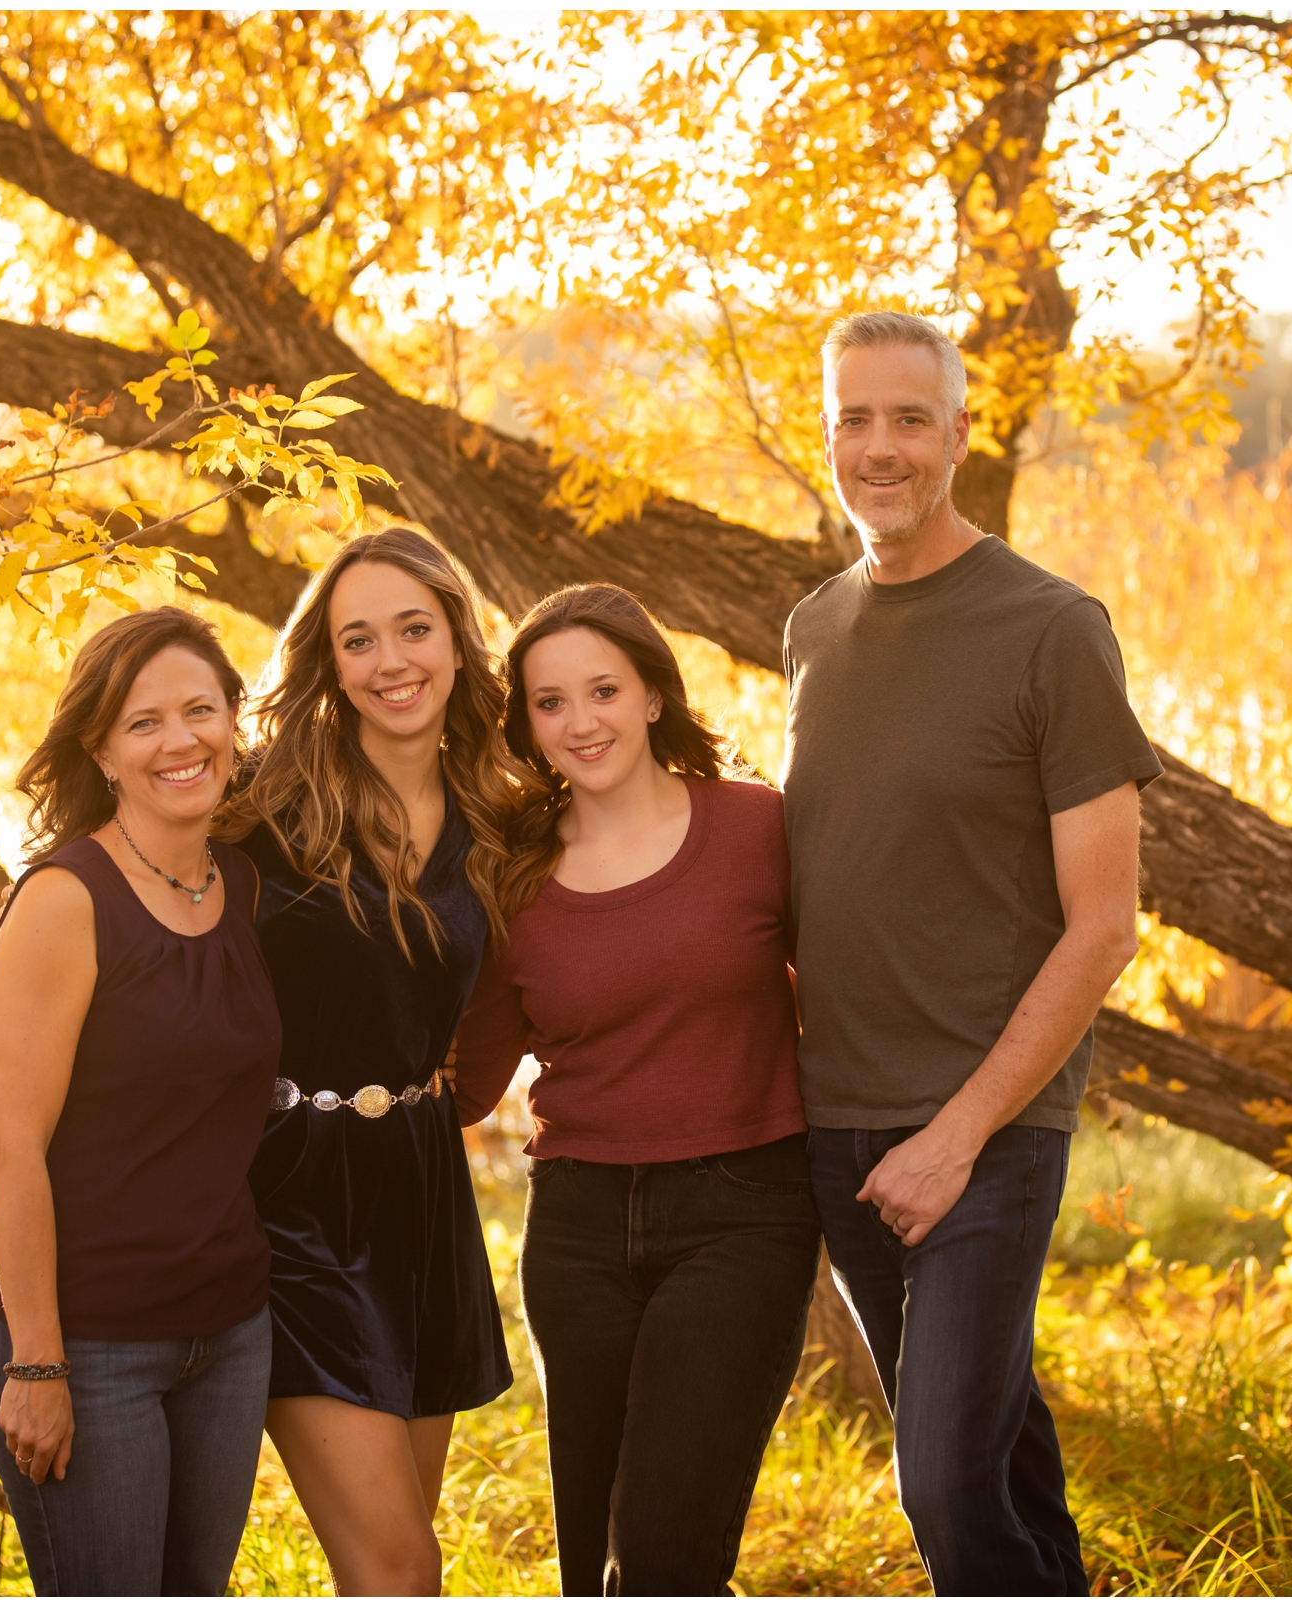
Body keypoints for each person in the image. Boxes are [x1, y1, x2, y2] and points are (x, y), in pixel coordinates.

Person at [785, 311, 1160, 1595]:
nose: (877, 446)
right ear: (825, 430)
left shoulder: (1053, 628)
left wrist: (957, 1135)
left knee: (941, 1474)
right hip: (836, 1122)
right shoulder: (815, 630)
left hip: (984, 1128)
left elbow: (1103, 925)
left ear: (957, 432)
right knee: (991, 1444)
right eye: (852, 416)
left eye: (906, 418)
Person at [452, 583, 819, 1596]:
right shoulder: (512, 876)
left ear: (655, 693)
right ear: (525, 722)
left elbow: (848, 994)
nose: (581, 722)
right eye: (550, 701)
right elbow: (469, 1078)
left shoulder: (761, 829)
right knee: (590, 1563)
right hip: (577, 1227)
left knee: (662, 1556)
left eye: (604, 689)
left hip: (742, 1213)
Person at [218, 526, 517, 1595]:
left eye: (412, 628)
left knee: (391, 1560)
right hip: (288, 1200)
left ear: (456, 639)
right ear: (329, 664)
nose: (391, 659)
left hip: (424, 1191)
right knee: (401, 1566)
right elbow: (129, 904)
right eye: (359, 638)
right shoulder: (256, 804)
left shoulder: (500, 807)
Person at [0, 607, 282, 1596]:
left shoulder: (242, 885)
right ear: (101, 747)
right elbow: (13, 1145)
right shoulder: (65, 899)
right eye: (143, 721)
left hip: (231, 1332)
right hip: (90, 1344)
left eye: (201, 709)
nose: (180, 739)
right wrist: (36, 1362)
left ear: (235, 722)